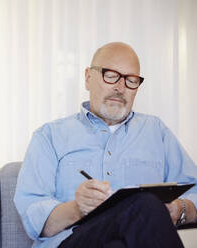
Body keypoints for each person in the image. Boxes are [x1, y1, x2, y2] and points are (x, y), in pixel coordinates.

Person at [14, 42, 197, 248]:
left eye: (131, 80)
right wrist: (77, 208)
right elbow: (33, 219)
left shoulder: (156, 131)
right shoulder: (50, 136)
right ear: (88, 78)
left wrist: (180, 209)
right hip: (74, 241)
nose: (120, 88)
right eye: (110, 75)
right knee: (144, 203)